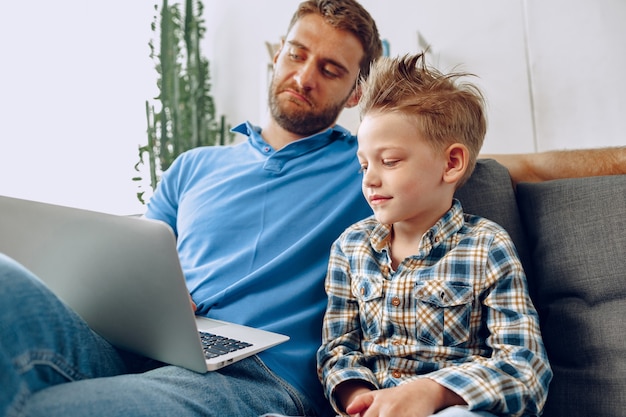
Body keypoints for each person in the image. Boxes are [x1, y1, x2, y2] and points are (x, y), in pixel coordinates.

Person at [0, 1, 382, 416]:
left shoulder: (367, 169)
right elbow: (132, 263)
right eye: (296, 53)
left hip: (254, 374)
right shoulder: (194, 165)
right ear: (277, 53)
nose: (304, 77)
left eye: (330, 70)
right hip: (145, 344)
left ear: (356, 93)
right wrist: (157, 289)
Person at [316, 53, 553, 417]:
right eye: (364, 164)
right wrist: (359, 397)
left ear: (451, 163)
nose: (370, 179)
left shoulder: (487, 246)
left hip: (451, 409)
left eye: (390, 161)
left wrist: (433, 393)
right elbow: (338, 349)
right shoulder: (350, 249)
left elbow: (525, 368)